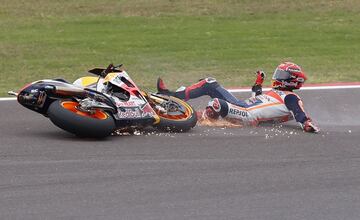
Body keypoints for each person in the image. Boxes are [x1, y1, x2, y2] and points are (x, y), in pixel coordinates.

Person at [156, 62, 320, 133]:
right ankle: (170, 96)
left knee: (216, 104)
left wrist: (306, 123)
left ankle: (196, 119)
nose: (278, 76)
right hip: (242, 106)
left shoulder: (291, 98)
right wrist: (258, 84)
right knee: (209, 83)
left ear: (292, 80)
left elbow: (298, 112)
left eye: (282, 74)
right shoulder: (276, 94)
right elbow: (258, 99)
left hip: (248, 115)